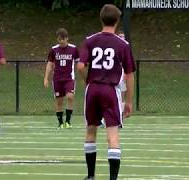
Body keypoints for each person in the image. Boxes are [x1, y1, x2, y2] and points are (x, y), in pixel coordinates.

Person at [77, 4, 136, 180]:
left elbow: (80, 66)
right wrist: (129, 101)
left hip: (93, 89)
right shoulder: (122, 44)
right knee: (112, 136)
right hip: (111, 90)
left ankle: (90, 176)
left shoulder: (90, 40)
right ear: (117, 21)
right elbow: (130, 75)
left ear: (101, 19)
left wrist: (88, 80)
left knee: (90, 131)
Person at [44, 28, 79, 129]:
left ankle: (68, 121)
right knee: (59, 101)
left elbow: (79, 63)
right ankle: (60, 123)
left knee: (70, 97)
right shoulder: (54, 50)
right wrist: (46, 78)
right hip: (57, 79)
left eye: (63, 39)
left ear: (67, 38)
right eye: (59, 39)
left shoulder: (73, 49)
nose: (61, 41)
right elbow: (50, 64)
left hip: (69, 78)